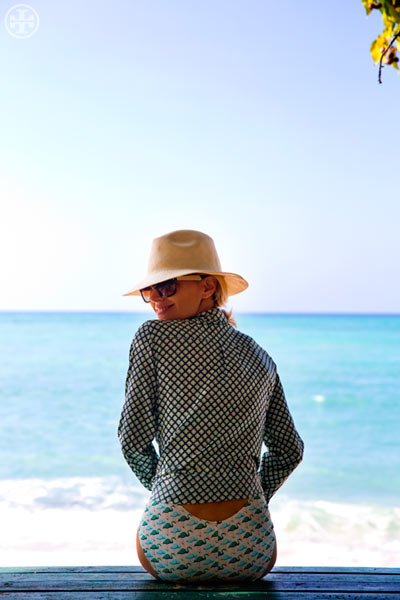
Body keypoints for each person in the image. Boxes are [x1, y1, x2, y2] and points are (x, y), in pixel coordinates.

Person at [118, 229, 304, 583]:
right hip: (252, 549)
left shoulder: (151, 338)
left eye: (166, 286)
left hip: (171, 545)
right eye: (150, 289)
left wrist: (169, 487)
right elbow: (289, 450)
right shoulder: (259, 354)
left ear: (207, 287)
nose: (155, 297)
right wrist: (253, 495)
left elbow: (133, 440)